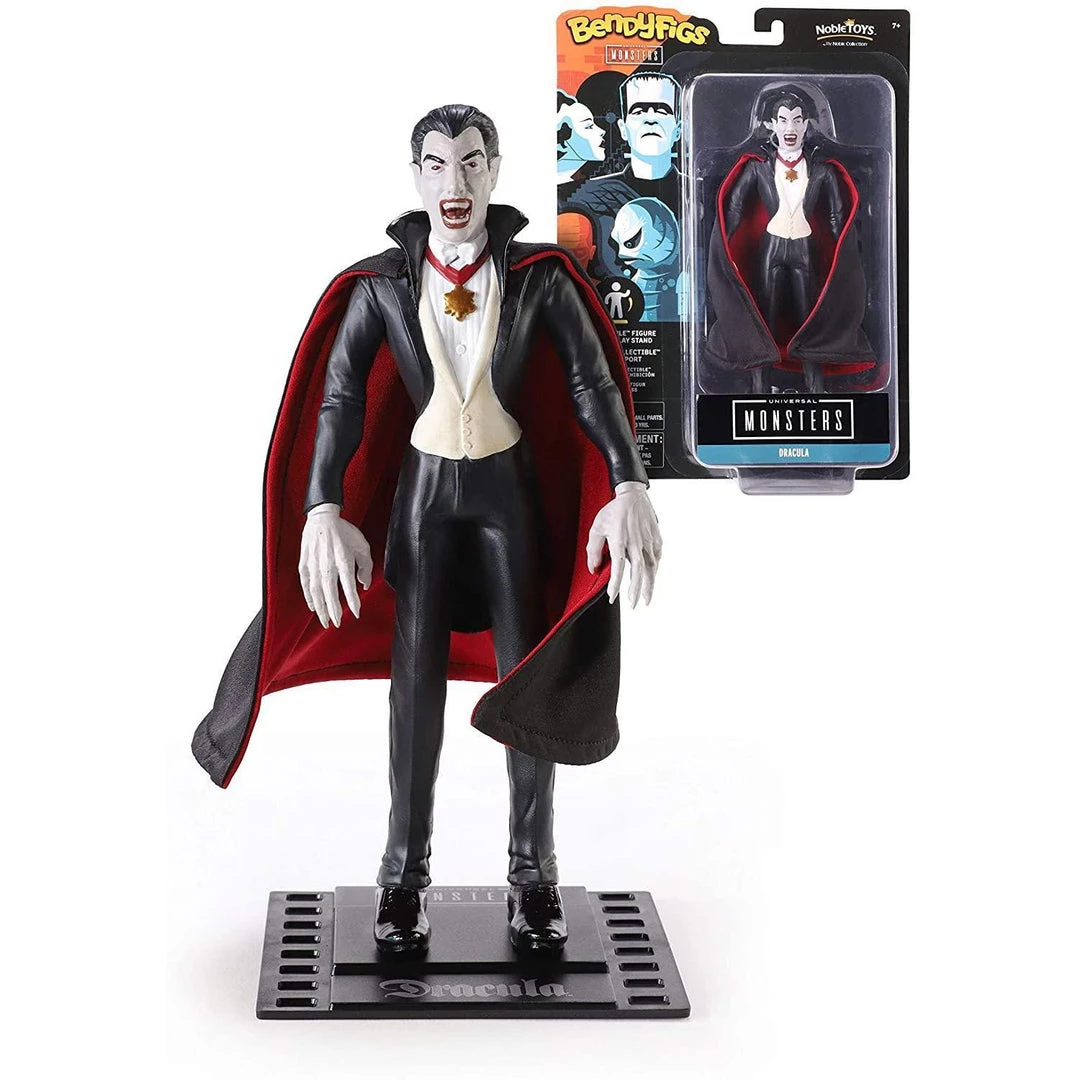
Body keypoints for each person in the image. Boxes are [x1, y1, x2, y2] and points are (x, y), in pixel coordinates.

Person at [192, 105, 662, 957]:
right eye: (438, 164)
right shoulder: (379, 286)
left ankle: (533, 876)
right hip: (421, 502)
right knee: (414, 693)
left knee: (527, 681)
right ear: (417, 176)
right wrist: (323, 507)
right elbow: (338, 399)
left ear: (494, 171)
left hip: (510, 498)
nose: (455, 182)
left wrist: (627, 481)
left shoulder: (541, 279)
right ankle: (402, 878)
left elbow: (592, 384)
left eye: (472, 162)